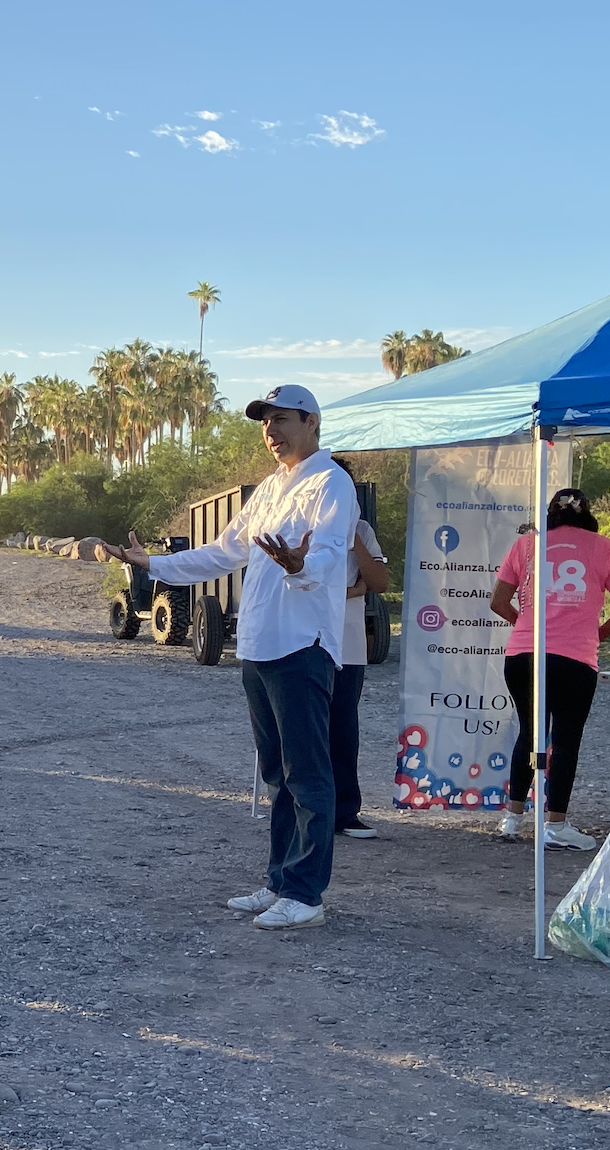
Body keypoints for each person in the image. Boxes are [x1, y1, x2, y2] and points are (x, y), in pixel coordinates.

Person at [79, 384, 357, 930]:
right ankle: (280, 881)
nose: (271, 432)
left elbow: (324, 555)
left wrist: (301, 567)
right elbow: (224, 551)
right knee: (277, 773)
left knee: (307, 774)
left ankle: (306, 895)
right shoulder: (271, 489)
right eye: (264, 422)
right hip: (259, 645)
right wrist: (152, 564)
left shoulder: (331, 483)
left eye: (281, 420)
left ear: (311, 422)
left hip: (301, 645)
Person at [488, 486, 610, 849]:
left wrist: (526, 627)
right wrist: (593, 635)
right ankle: (555, 824)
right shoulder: (605, 548)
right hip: (575, 657)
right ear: (587, 515)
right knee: (567, 738)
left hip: (523, 654)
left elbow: (498, 601)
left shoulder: (526, 545)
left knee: (530, 732)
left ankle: (512, 817)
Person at [329, 461, 389, 841]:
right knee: (303, 729)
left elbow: (379, 581)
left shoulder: (362, 531)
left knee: (343, 728)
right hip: (300, 639)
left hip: (347, 642)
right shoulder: (295, 525)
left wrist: (353, 538)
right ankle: (305, 811)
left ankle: (345, 811)